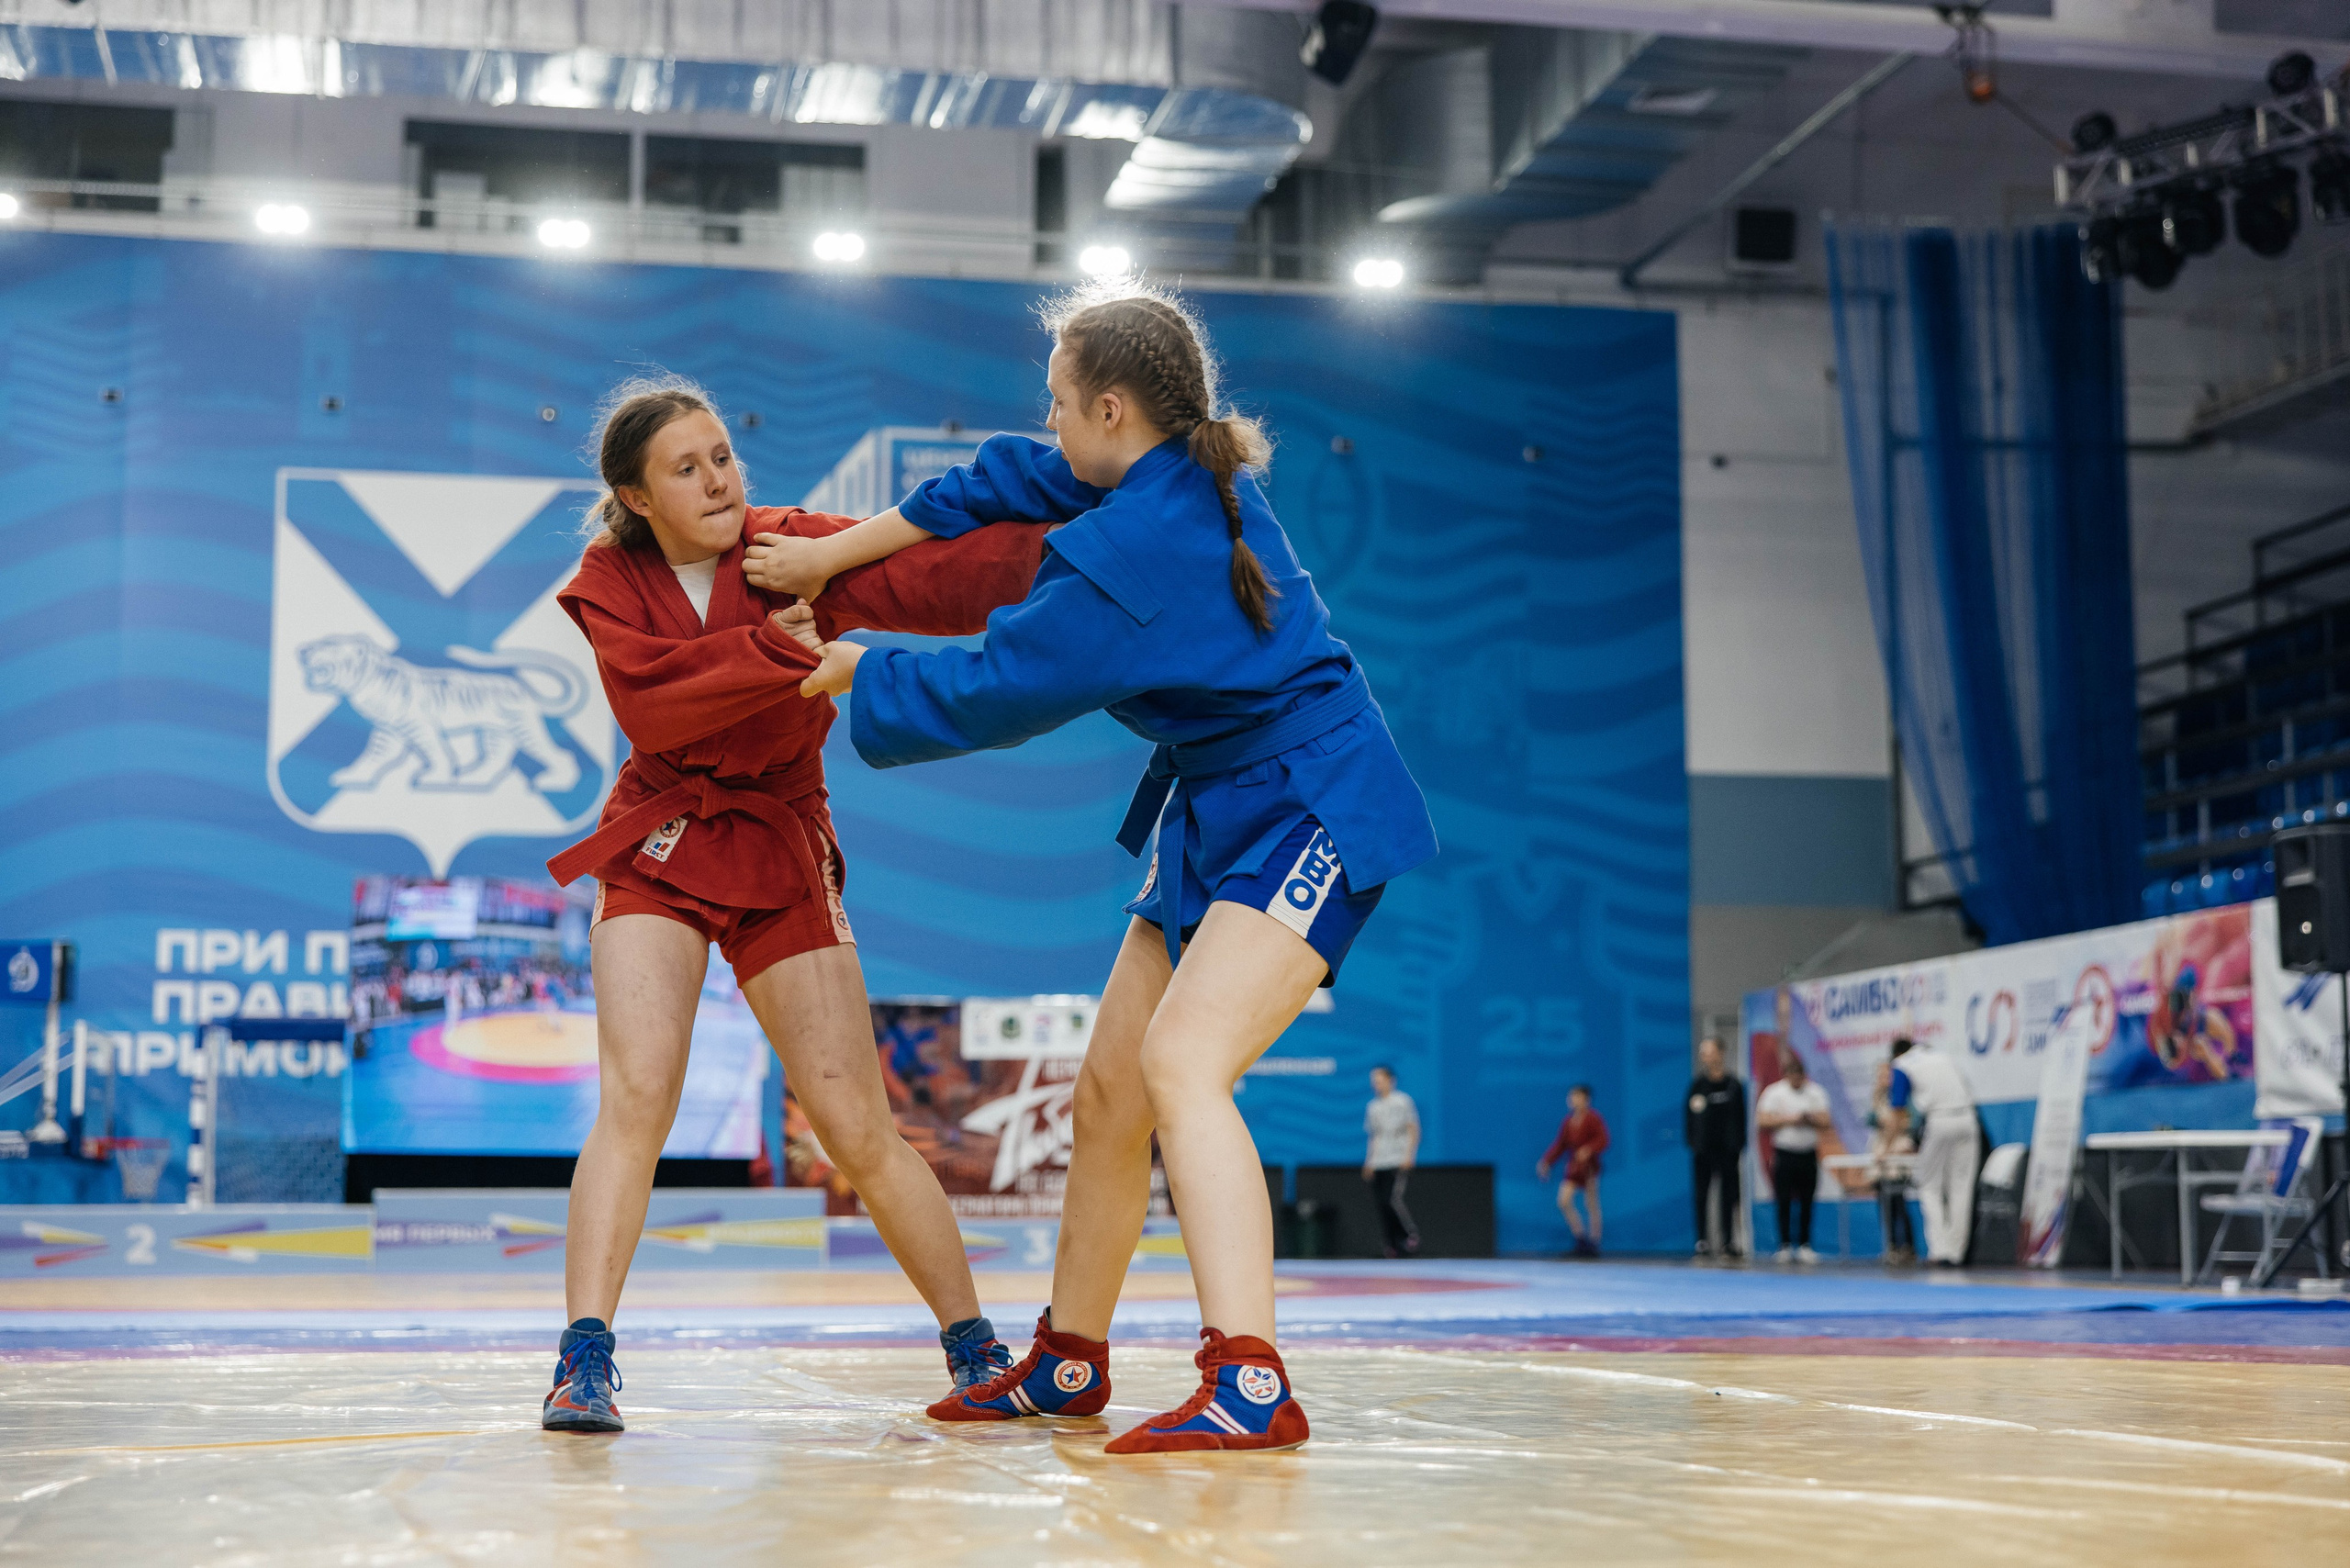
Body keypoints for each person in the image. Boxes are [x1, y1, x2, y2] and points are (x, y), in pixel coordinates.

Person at [760, 286, 1438, 1453]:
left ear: (1112, 408)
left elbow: (996, 689)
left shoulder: (1140, 547)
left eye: (1060, 400)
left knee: (1181, 1064)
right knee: (1108, 1093)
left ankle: (1251, 1380)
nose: (1050, 420)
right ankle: (1070, 1360)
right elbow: (1000, 480)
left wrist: (855, 667)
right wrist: (836, 552)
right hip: (1222, 803)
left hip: (1313, 799)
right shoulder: (1158, 470)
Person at [534, 378, 1053, 1434]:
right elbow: (653, 702)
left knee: (858, 1124)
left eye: (721, 453)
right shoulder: (606, 579)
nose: (718, 477)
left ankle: (977, 1349)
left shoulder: (792, 547)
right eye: (687, 467)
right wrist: (778, 648)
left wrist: (1080, 551)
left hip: (777, 838)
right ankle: (582, 1360)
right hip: (661, 841)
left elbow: (941, 578)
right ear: (636, 497)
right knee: (637, 1096)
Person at [1885, 1036, 1979, 1266]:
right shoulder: (1943, 1056)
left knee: (1929, 1186)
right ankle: (1957, 1253)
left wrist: (1887, 1148)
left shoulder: (1902, 1065)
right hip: (1968, 1119)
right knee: (1961, 1186)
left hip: (1939, 1120)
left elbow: (1898, 1110)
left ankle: (1940, 1251)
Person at [1755, 1051, 1830, 1262]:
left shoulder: (1815, 1092)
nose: (1796, 1080)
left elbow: (1826, 1120)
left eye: (1800, 1076)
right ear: (1786, 1075)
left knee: (1807, 1200)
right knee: (1784, 1200)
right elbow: (1762, 1120)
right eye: (1792, 1076)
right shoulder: (1774, 1093)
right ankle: (1785, 1244)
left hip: (1807, 1153)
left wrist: (1808, 1118)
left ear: (1804, 1075)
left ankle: (1805, 1245)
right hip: (1785, 1153)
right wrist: (1790, 1119)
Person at [1684, 1036, 1747, 1259]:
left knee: (1728, 1197)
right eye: (1703, 1053)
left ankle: (1728, 1241)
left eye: (1709, 1052)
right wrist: (1694, 1143)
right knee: (1701, 1195)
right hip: (1703, 1151)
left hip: (1728, 1151)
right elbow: (1689, 1117)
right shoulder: (1697, 1085)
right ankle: (1702, 1240)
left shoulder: (1733, 1085)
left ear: (1720, 1053)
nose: (1705, 1057)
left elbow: (1741, 1117)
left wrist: (1738, 1145)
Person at [1537, 1084, 1608, 1258]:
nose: (1573, 1100)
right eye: (1572, 1097)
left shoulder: (1593, 1119)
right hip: (1574, 1169)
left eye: (1577, 1097)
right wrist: (1546, 1161)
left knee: (1591, 1205)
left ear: (1586, 1100)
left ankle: (1594, 1243)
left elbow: (1604, 1139)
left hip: (1589, 1169)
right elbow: (1561, 1145)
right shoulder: (1568, 1121)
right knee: (1563, 1201)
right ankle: (1580, 1238)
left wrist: (1589, 1149)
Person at [1360, 1065, 1421, 1258]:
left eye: (1379, 1080)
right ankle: (1391, 1244)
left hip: (1397, 1159)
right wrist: (1369, 1161)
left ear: (1390, 1080)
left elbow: (1413, 1129)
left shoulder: (1402, 1102)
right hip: (1380, 1161)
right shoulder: (1373, 1107)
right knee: (1380, 1203)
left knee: (1391, 1199)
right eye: (1373, 1081)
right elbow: (1374, 1136)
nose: (1375, 1084)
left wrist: (1409, 1156)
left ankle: (1409, 1234)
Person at [1868, 1058, 1917, 1264]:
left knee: (1898, 1202)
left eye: (1886, 1074)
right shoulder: (1878, 1099)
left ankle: (1907, 1246)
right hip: (1881, 1152)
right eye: (1880, 1075)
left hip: (1897, 1153)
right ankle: (1891, 1246)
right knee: (1883, 1202)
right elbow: (1871, 1119)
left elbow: (1906, 1122)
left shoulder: (1905, 1098)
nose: (1883, 1079)